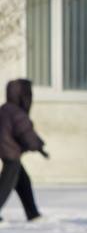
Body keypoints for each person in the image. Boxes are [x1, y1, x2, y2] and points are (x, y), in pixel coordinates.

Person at [0, 78, 45, 221]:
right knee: (5, 185)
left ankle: (32, 213)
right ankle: (32, 213)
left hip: (6, 150)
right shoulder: (17, 112)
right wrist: (38, 145)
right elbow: (25, 133)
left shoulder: (5, 109)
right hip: (11, 153)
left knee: (23, 182)